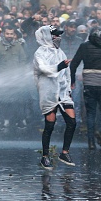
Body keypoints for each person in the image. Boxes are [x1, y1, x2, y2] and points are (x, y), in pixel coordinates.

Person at [33, 25, 76, 169]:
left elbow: (67, 72)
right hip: (48, 92)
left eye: (59, 35)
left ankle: (65, 152)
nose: (58, 38)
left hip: (63, 93)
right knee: (49, 125)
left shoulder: (60, 52)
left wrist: (69, 87)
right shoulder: (40, 53)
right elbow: (43, 69)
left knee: (72, 122)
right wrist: (58, 67)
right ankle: (45, 156)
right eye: (55, 35)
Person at [70, 27, 101, 149]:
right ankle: (100, 130)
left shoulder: (84, 46)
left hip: (89, 83)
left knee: (90, 113)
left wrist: (72, 80)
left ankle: (91, 143)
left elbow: (74, 64)